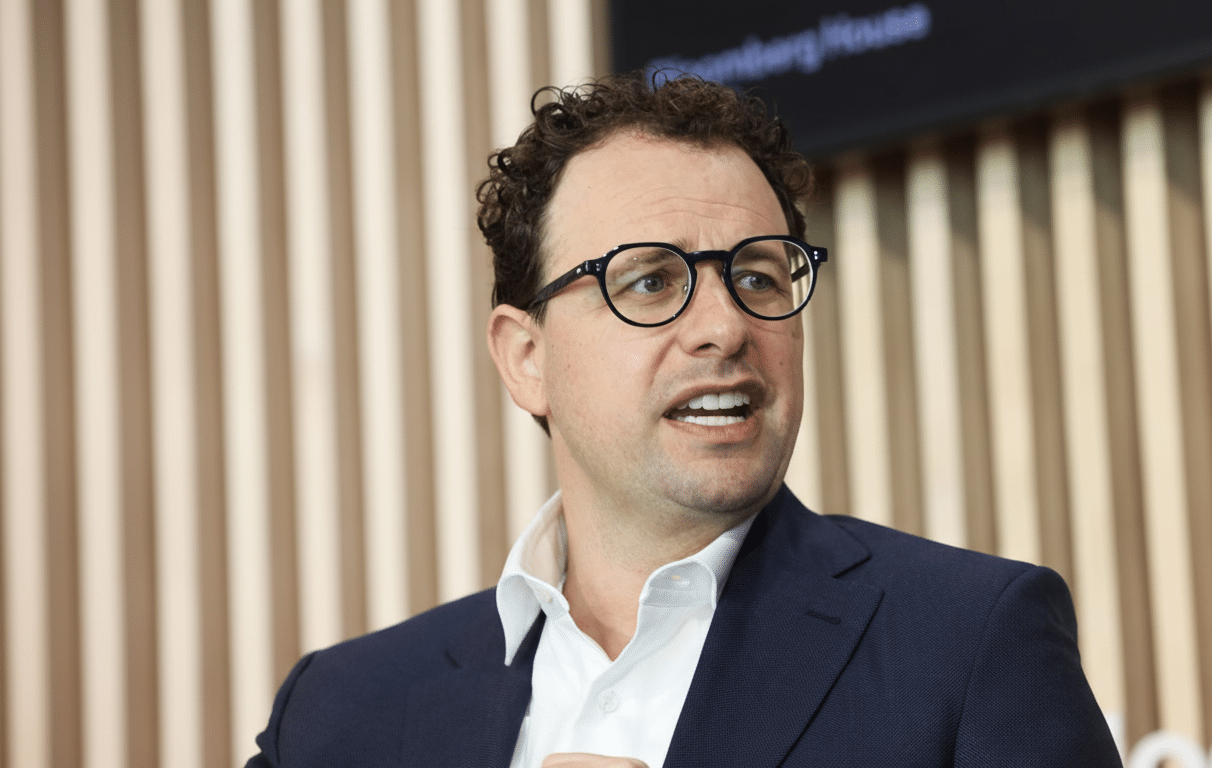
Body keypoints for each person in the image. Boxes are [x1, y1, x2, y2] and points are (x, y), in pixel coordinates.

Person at [247, 72, 1123, 768]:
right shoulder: (337, 714)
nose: (725, 326)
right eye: (651, 281)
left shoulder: (969, 645)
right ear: (526, 359)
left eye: (760, 276)